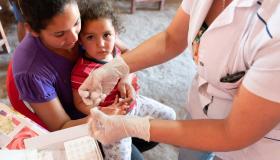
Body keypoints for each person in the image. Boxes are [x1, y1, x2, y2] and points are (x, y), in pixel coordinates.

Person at [80, 0, 280, 160]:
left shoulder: (274, 27)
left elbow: (233, 133)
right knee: (191, 152)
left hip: (256, 143)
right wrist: (114, 68)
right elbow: (171, 39)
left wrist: (131, 126)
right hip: (203, 104)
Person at [11, 0, 152, 159]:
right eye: (59, 34)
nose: (75, 37)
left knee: (156, 128)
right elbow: (61, 126)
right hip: (79, 124)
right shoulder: (30, 71)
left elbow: (127, 53)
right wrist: (98, 116)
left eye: (76, 23)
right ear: (32, 30)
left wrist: (125, 78)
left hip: (112, 105)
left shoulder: (82, 20)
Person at [71, 1, 176, 159]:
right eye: (90, 37)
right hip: (113, 122)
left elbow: (132, 57)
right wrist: (102, 112)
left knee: (170, 118)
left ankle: (132, 141)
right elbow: (79, 103)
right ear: (81, 41)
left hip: (135, 104)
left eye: (107, 35)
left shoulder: (116, 50)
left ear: (115, 34)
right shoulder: (81, 72)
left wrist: (126, 79)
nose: (101, 44)